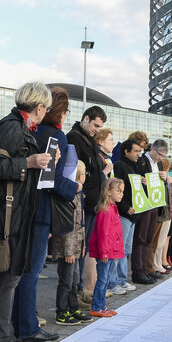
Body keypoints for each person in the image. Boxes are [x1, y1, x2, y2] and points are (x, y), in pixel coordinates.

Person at [0, 81, 56, 342]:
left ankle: (10, 339)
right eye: (46, 109)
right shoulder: (12, 127)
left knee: (12, 277)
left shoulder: (18, 126)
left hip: (15, 212)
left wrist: (37, 163)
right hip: (6, 214)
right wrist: (29, 163)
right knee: (7, 279)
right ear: (40, 107)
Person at [12, 87, 79, 342]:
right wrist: (75, 187)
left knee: (19, 269)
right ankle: (28, 326)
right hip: (41, 210)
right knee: (32, 270)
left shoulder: (31, 129)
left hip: (22, 206)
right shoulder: (56, 136)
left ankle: (19, 321)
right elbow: (52, 180)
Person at [67, 106, 109, 294]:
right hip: (81, 202)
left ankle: (78, 289)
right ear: (85, 119)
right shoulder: (74, 138)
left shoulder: (89, 140)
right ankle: (74, 291)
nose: (97, 130)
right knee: (76, 250)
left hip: (92, 203)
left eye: (100, 127)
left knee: (83, 249)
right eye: (95, 125)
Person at [53, 160, 92, 325]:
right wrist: (69, 250)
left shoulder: (79, 194)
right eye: (84, 173)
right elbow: (69, 225)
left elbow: (80, 225)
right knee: (66, 280)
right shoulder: (71, 196)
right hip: (68, 248)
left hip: (77, 246)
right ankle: (61, 311)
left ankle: (73, 307)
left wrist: (81, 246)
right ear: (79, 175)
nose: (86, 176)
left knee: (75, 279)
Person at [112, 139, 148, 286]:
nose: (138, 154)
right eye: (136, 151)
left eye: (139, 151)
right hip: (124, 213)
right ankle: (114, 281)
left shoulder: (134, 167)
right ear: (126, 151)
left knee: (126, 249)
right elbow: (117, 191)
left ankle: (121, 280)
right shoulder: (120, 166)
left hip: (133, 214)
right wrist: (125, 207)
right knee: (118, 249)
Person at [89, 177, 126, 318]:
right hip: (106, 252)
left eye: (122, 191)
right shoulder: (106, 210)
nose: (121, 194)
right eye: (118, 191)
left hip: (111, 252)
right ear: (109, 192)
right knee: (103, 280)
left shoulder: (113, 208)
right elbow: (103, 234)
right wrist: (104, 253)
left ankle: (102, 305)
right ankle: (97, 306)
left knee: (105, 280)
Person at [132, 139, 167, 280]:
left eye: (164, 156)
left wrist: (163, 178)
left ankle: (147, 268)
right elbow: (134, 179)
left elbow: (158, 183)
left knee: (149, 238)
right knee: (140, 238)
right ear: (152, 149)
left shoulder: (158, 163)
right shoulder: (141, 161)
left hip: (154, 204)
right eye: (160, 154)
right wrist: (141, 181)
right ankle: (138, 271)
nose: (161, 158)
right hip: (144, 204)